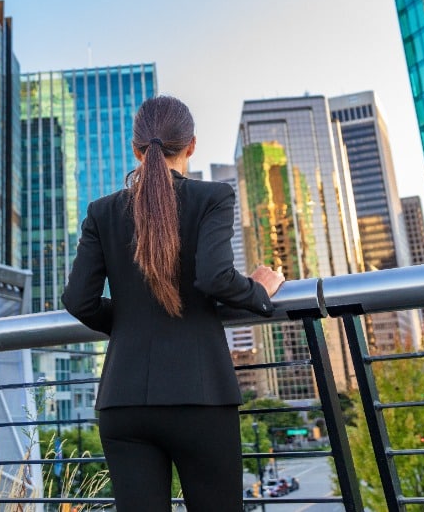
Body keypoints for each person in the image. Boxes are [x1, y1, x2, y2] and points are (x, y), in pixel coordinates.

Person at [62, 95, 285, 511]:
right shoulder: (212, 197)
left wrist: (130, 323)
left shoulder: (101, 211)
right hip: (199, 396)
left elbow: (78, 300)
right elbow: (215, 277)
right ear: (192, 146)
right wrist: (259, 290)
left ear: (136, 149)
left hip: (122, 402)